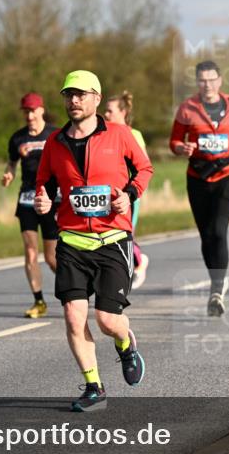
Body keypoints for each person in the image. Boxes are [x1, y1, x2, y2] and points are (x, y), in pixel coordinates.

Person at [34, 70, 153, 412]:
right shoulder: (55, 142)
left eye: (81, 94)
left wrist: (129, 195)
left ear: (96, 98)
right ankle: (93, 387)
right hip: (72, 240)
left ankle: (125, 344)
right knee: (73, 317)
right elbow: (44, 185)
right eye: (69, 95)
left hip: (112, 237)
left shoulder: (119, 134)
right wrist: (43, 201)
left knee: (107, 320)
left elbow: (144, 169)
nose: (74, 100)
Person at [169, 60, 229, 317]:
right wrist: (180, 148)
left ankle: (218, 288)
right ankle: (215, 282)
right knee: (206, 235)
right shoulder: (187, 108)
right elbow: (174, 140)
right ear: (197, 82)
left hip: (227, 174)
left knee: (219, 230)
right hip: (197, 175)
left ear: (220, 81)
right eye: (202, 80)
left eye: (211, 79)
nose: (207, 84)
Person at [2, 92, 59, 318]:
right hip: (27, 198)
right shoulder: (18, 138)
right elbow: (11, 163)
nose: (30, 115)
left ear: (42, 110)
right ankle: (39, 301)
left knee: (52, 257)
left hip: (51, 198)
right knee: (30, 252)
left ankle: (73, 291)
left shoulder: (55, 134)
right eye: (26, 111)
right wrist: (8, 175)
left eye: (33, 110)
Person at [104, 91, 150, 289]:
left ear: (123, 112)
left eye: (109, 111)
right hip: (109, 194)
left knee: (125, 235)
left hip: (129, 195)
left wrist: (132, 191)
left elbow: (143, 166)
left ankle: (137, 264)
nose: (105, 114)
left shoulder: (134, 135)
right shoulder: (104, 133)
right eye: (104, 110)